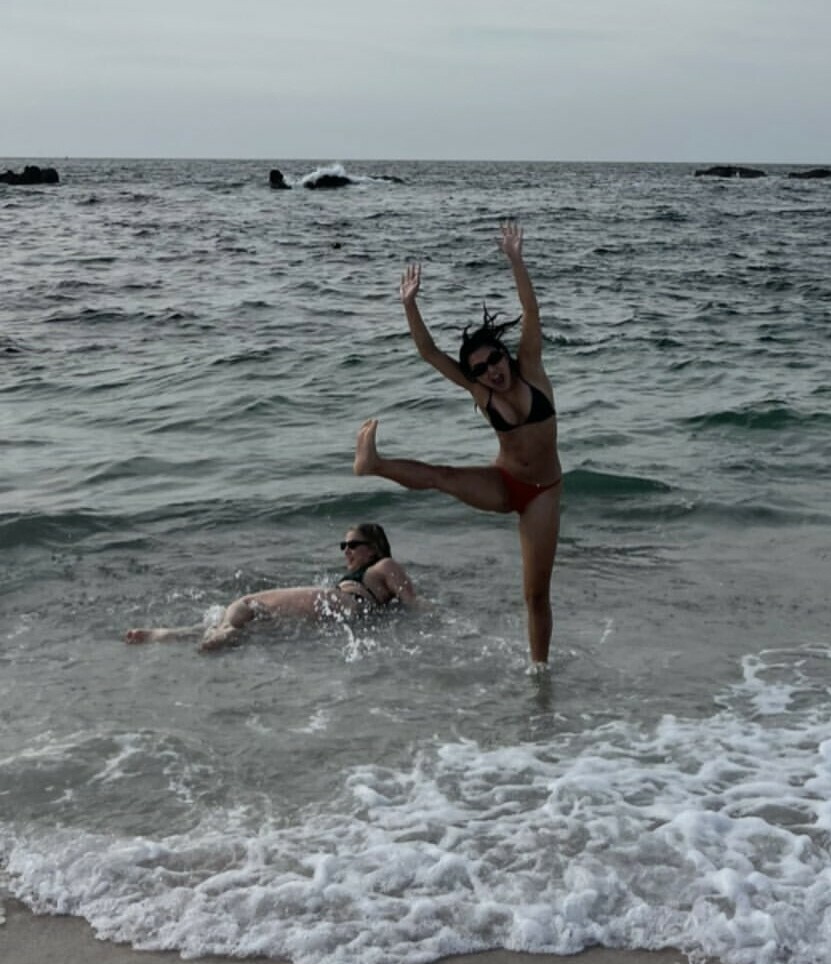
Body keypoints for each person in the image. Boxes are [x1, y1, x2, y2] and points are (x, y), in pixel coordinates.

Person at [353, 221, 560, 665]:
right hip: (502, 483)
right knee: (441, 476)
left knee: (535, 594)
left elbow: (530, 309)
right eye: (480, 369)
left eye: (494, 360)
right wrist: (410, 305)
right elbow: (430, 353)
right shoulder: (482, 394)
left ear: (505, 354)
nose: (491, 372)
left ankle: (539, 673)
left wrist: (516, 259)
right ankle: (374, 464)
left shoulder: (531, 367)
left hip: (542, 494)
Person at [124, 523, 419, 651]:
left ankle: (223, 632)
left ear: (373, 548)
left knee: (248, 603)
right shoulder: (371, 575)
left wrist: (433, 615)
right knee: (251, 627)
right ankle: (167, 635)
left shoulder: (384, 565)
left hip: (343, 603)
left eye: (353, 545)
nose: (346, 551)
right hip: (345, 612)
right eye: (343, 545)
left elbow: (413, 601)